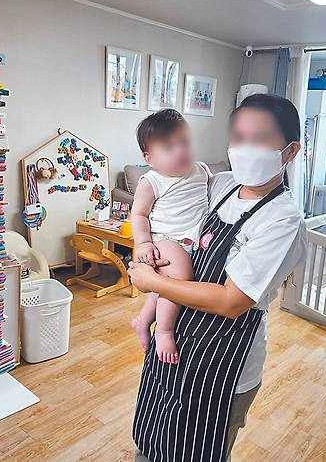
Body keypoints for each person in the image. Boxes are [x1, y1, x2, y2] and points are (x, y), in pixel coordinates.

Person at [128, 94, 308, 462]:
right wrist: (143, 249)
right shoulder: (222, 184)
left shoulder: (283, 221)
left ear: (289, 151)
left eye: (259, 139)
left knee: (195, 450)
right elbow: (165, 219)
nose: (244, 148)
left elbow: (232, 301)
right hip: (179, 336)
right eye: (238, 137)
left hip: (224, 360)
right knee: (154, 433)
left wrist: (153, 283)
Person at [130, 109, 211, 364]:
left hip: (192, 238)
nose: (180, 151)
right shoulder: (152, 181)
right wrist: (143, 243)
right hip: (167, 239)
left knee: (162, 286)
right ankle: (164, 330)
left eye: (184, 142)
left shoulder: (201, 170)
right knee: (178, 278)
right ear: (150, 157)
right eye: (168, 147)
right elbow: (139, 215)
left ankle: (143, 320)